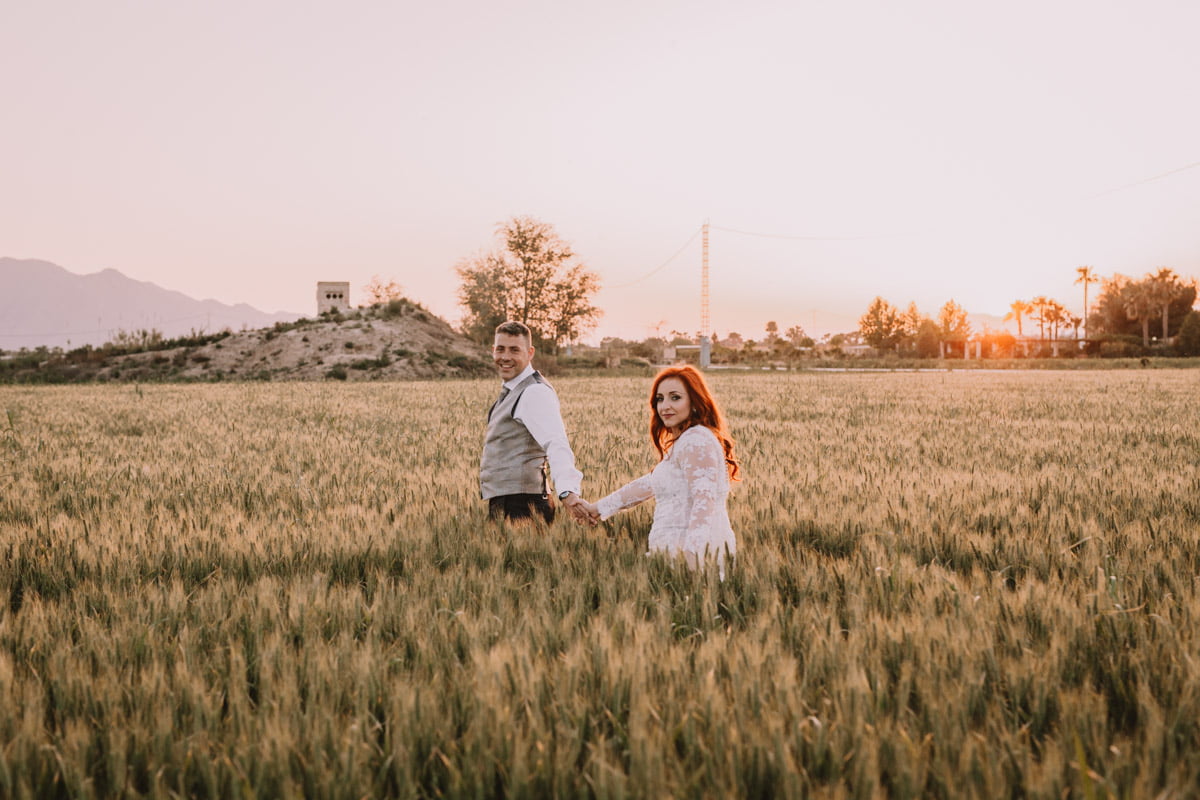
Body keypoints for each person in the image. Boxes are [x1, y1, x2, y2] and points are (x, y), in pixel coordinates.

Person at [577, 365, 741, 572]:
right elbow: (648, 485)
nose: (664, 406)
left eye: (675, 398)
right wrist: (598, 509)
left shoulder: (696, 440)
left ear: (695, 401)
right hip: (672, 553)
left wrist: (693, 554)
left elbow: (704, 499)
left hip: (692, 558)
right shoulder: (684, 441)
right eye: (660, 399)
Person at [480, 320, 589, 524]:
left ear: (530, 353)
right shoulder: (514, 390)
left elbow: (556, 442)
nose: (505, 357)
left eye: (514, 350)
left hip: (523, 504)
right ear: (493, 351)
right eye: (500, 349)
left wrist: (567, 492)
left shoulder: (534, 392)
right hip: (507, 501)